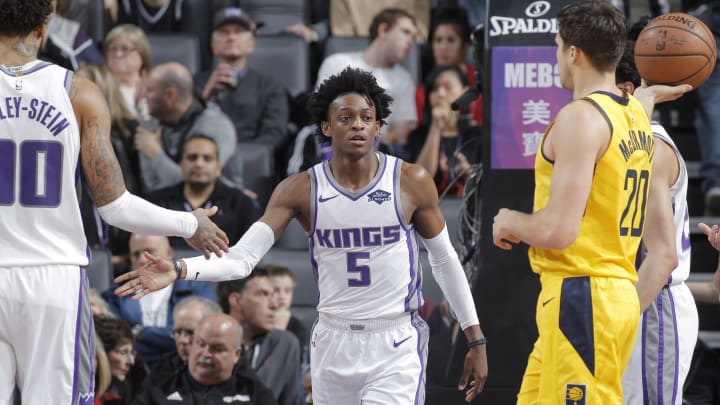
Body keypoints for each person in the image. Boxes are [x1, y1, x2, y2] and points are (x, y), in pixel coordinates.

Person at [115, 66, 488, 404]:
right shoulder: (299, 189)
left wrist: (475, 335)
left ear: (378, 127)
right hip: (333, 339)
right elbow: (243, 259)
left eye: (366, 118)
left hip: (394, 338)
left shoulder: (410, 181)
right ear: (326, 127)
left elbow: (444, 259)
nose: (357, 125)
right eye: (346, 117)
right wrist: (179, 268)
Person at [0, 1, 228, 403]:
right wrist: (190, 224)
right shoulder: (79, 92)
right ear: (43, 30)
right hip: (54, 280)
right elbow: (115, 206)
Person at [491, 1, 691, 403]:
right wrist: (650, 94)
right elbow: (640, 103)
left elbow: (558, 230)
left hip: (582, 296)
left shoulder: (581, 118)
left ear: (573, 53)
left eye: (557, 45)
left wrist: (509, 220)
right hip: (605, 294)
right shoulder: (633, 114)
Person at [614, 39, 698, 405]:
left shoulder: (650, 149)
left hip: (651, 305)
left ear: (625, 90)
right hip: (632, 299)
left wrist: (615, 323)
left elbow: (662, 258)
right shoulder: (621, 142)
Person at [102, 233, 218, 363]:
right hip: (133, 366)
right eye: (136, 254)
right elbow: (116, 340)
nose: (142, 260)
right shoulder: (117, 294)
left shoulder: (196, 287)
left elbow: (203, 334)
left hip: (184, 365)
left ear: (169, 253)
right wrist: (167, 337)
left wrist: (138, 332)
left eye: (149, 252)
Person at [316, 8, 419, 152]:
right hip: (333, 148)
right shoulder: (336, 63)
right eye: (406, 32)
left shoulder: (405, 80)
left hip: (378, 154)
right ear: (383, 30)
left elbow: (401, 134)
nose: (411, 41)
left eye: (413, 37)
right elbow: (321, 114)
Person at [195, 7, 289, 152]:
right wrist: (206, 99)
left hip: (254, 164)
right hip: (203, 160)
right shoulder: (195, 83)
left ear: (251, 44)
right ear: (213, 45)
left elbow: (274, 133)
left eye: (238, 31)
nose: (231, 37)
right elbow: (184, 128)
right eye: (224, 32)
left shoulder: (270, 86)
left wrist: (248, 157)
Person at [132, 313, 278, 405]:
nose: (205, 353)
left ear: (237, 354)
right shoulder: (160, 388)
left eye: (217, 348)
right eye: (200, 344)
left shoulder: (253, 393)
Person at [138, 62, 239, 192]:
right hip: (163, 206)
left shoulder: (216, 126)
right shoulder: (150, 127)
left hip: (219, 207)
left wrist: (155, 154)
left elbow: (202, 187)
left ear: (170, 95)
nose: (144, 96)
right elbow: (152, 185)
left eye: (150, 90)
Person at [148, 135, 259, 248]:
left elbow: (252, 249)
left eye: (207, 158)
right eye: (192, 157)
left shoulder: (240, 203)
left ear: (218, 168)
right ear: (181, 165)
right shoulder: (157, 202)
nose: (199, 164)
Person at [217, 268, 301, 405]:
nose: (274, 305)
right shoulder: (207, 341)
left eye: (272, 295)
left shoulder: (285, 344)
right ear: (237, 300)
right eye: (263, 294)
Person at [407, 65, 481, 197]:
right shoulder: (417, 136)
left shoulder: (478, 135)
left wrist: (470, 173)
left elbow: (489, 187)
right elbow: (417, 183)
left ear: (465, 93)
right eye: (435, 89)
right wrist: (435, 128)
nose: (440, 93)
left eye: (448, 87)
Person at [143, 295, 222, 386]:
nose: (182, 340)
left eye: (190, 332)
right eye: (178, 332)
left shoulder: (236, 374)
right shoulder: (162, 371)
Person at [94, 316, 137, 404]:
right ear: (102, 353)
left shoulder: (122, 390)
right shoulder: (79, 389)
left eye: (132, 352)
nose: (131, 361)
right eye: (124, 352)